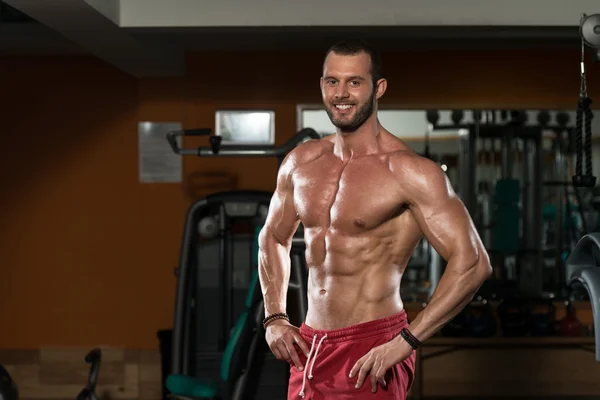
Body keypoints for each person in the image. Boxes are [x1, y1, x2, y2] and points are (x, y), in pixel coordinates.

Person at [257, 39, 492, 400]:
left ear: (378, 88)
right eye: (332, 81)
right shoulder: (300, 163)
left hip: (372, 348)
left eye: (354, 82)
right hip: (308, 346)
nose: (341, 93)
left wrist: (407, 341)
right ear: (321, 85)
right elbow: (273, 237)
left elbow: (473, 262)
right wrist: (275, 317)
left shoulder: (410, 172)